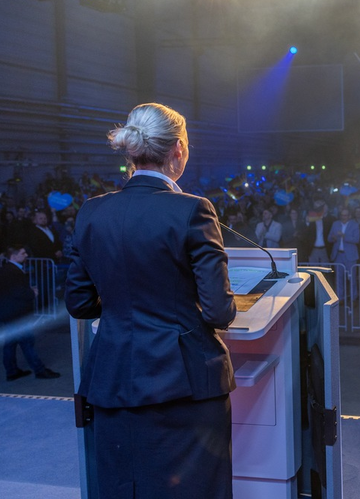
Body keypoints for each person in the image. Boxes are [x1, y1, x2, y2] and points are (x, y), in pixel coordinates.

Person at [65, 103, 237, 498]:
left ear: (131, 150)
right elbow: (218, 311)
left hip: (113, 379)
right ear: (178, 149)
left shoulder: (91, 212)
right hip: (184, 384)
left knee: (126, 488)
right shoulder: (193, 210)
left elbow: (79, 302)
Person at [0, 246, 61, 381]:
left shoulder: (6, 269)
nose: (26, 255)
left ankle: (11, 372)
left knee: (10, 344)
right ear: (13, 256)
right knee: (27, 343)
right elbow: (17, 292)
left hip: (8, 313)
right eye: (23, 253)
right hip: (17, 314)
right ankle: (39, 370)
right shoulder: (13, 271)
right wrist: (31, 293)